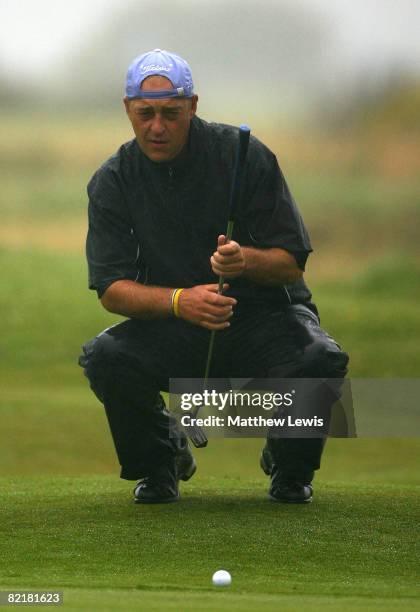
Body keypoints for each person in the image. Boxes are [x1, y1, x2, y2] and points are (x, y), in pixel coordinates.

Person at [79, 49, 349, 505]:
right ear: (128, 109)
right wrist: (179, 302)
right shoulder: (113, 180)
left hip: (264, 318)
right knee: (105, 356)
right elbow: (111, 289)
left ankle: (290, 463)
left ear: (193, 106)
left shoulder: (245, 157)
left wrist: (245, 261)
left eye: (171, 113)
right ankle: (161, 462)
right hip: (174, 326)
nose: (157, 127)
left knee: (320, 358)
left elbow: (291, 262)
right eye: (145, 114)